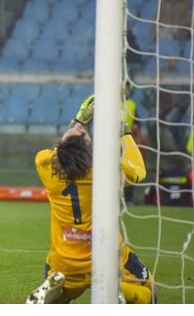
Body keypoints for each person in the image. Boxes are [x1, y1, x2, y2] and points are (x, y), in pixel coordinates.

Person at [26, 95, 155, 304]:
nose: (80, 131)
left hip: (64, 262)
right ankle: (123, 293)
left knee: (64, 291)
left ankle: (56, 292)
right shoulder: (105, 172)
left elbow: (59, 152)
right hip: (108, 257)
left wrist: (78, 121)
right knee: (149, 291)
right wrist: (123, 132)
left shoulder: (45, 165)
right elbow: (138, 172)